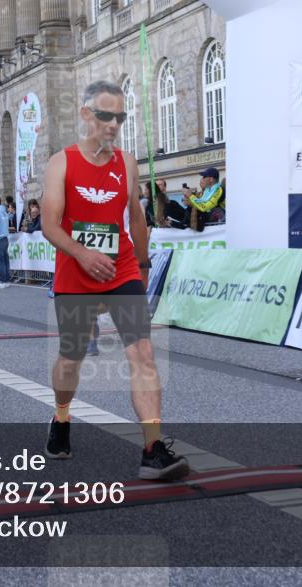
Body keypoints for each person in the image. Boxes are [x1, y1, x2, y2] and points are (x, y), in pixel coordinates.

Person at [41, 80, 189, 481]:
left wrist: (141, 265)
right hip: (76, 271)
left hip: (121, 269)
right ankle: (61, 416)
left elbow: (136, 218)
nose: (113, 124)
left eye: (120, 117)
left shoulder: (126, 162)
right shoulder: (62, 162)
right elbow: (49, 225)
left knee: (143, 353)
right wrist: (82, 253)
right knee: (71, 359)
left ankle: (153, 448)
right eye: (106, 116)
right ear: (86, 114)